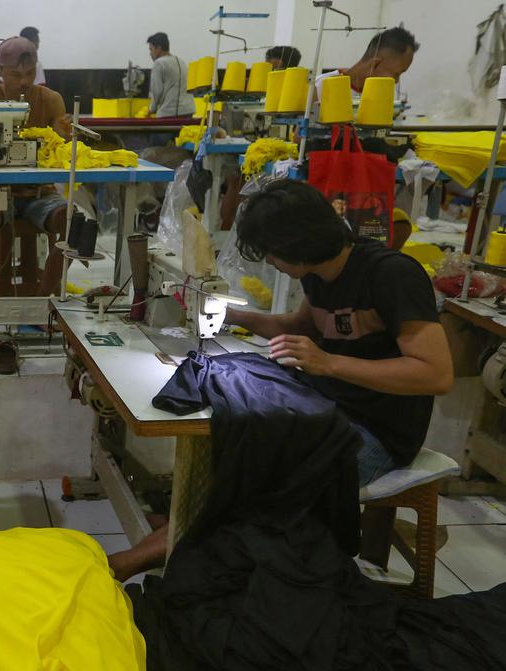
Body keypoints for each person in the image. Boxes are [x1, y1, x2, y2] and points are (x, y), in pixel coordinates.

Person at [106, 179, 453, 582]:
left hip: (377, 431)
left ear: (297, 245)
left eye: (272, 252)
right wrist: (230, 313)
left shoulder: (391, 275)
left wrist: (329, 364)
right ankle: (183, 523)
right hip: (326, 407)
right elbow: (295, 326)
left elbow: (436, 373)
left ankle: (151, 552)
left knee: (260, 478)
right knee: (240, 433)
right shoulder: (319, 274)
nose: (269, 261)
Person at [0, 36, 71, 298]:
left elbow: (64, 149)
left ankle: (43, 300)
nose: (24, 82)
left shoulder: (51, 100)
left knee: (69, 221)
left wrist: (64, 136)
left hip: (40, 194)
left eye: (30, 73)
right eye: (15, 75)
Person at [314, 27, 419, 110]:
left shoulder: (378, 96)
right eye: (396, 74)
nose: (396, 81)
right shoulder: (321, 87)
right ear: (374, 64)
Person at [146, 32, 195, 118]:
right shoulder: (181, 61)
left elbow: (157, 92)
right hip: (188, 110)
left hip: (169, 113)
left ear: (159, 48)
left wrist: (150, 110)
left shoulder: (159, 63)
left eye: (151, 49)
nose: (150, 53)